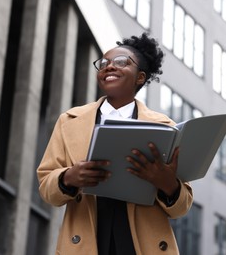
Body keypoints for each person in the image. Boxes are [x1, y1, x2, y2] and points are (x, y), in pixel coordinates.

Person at [37, 32, 193, 255]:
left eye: (121, 62)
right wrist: (68, 178)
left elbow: (182, 207)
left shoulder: (166, 128)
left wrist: (167, 183)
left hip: (141, 245)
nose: (109, 66)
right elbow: (46, 188)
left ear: (140, 77)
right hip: (87, 241)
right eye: (104, 63)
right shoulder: (69, 121)